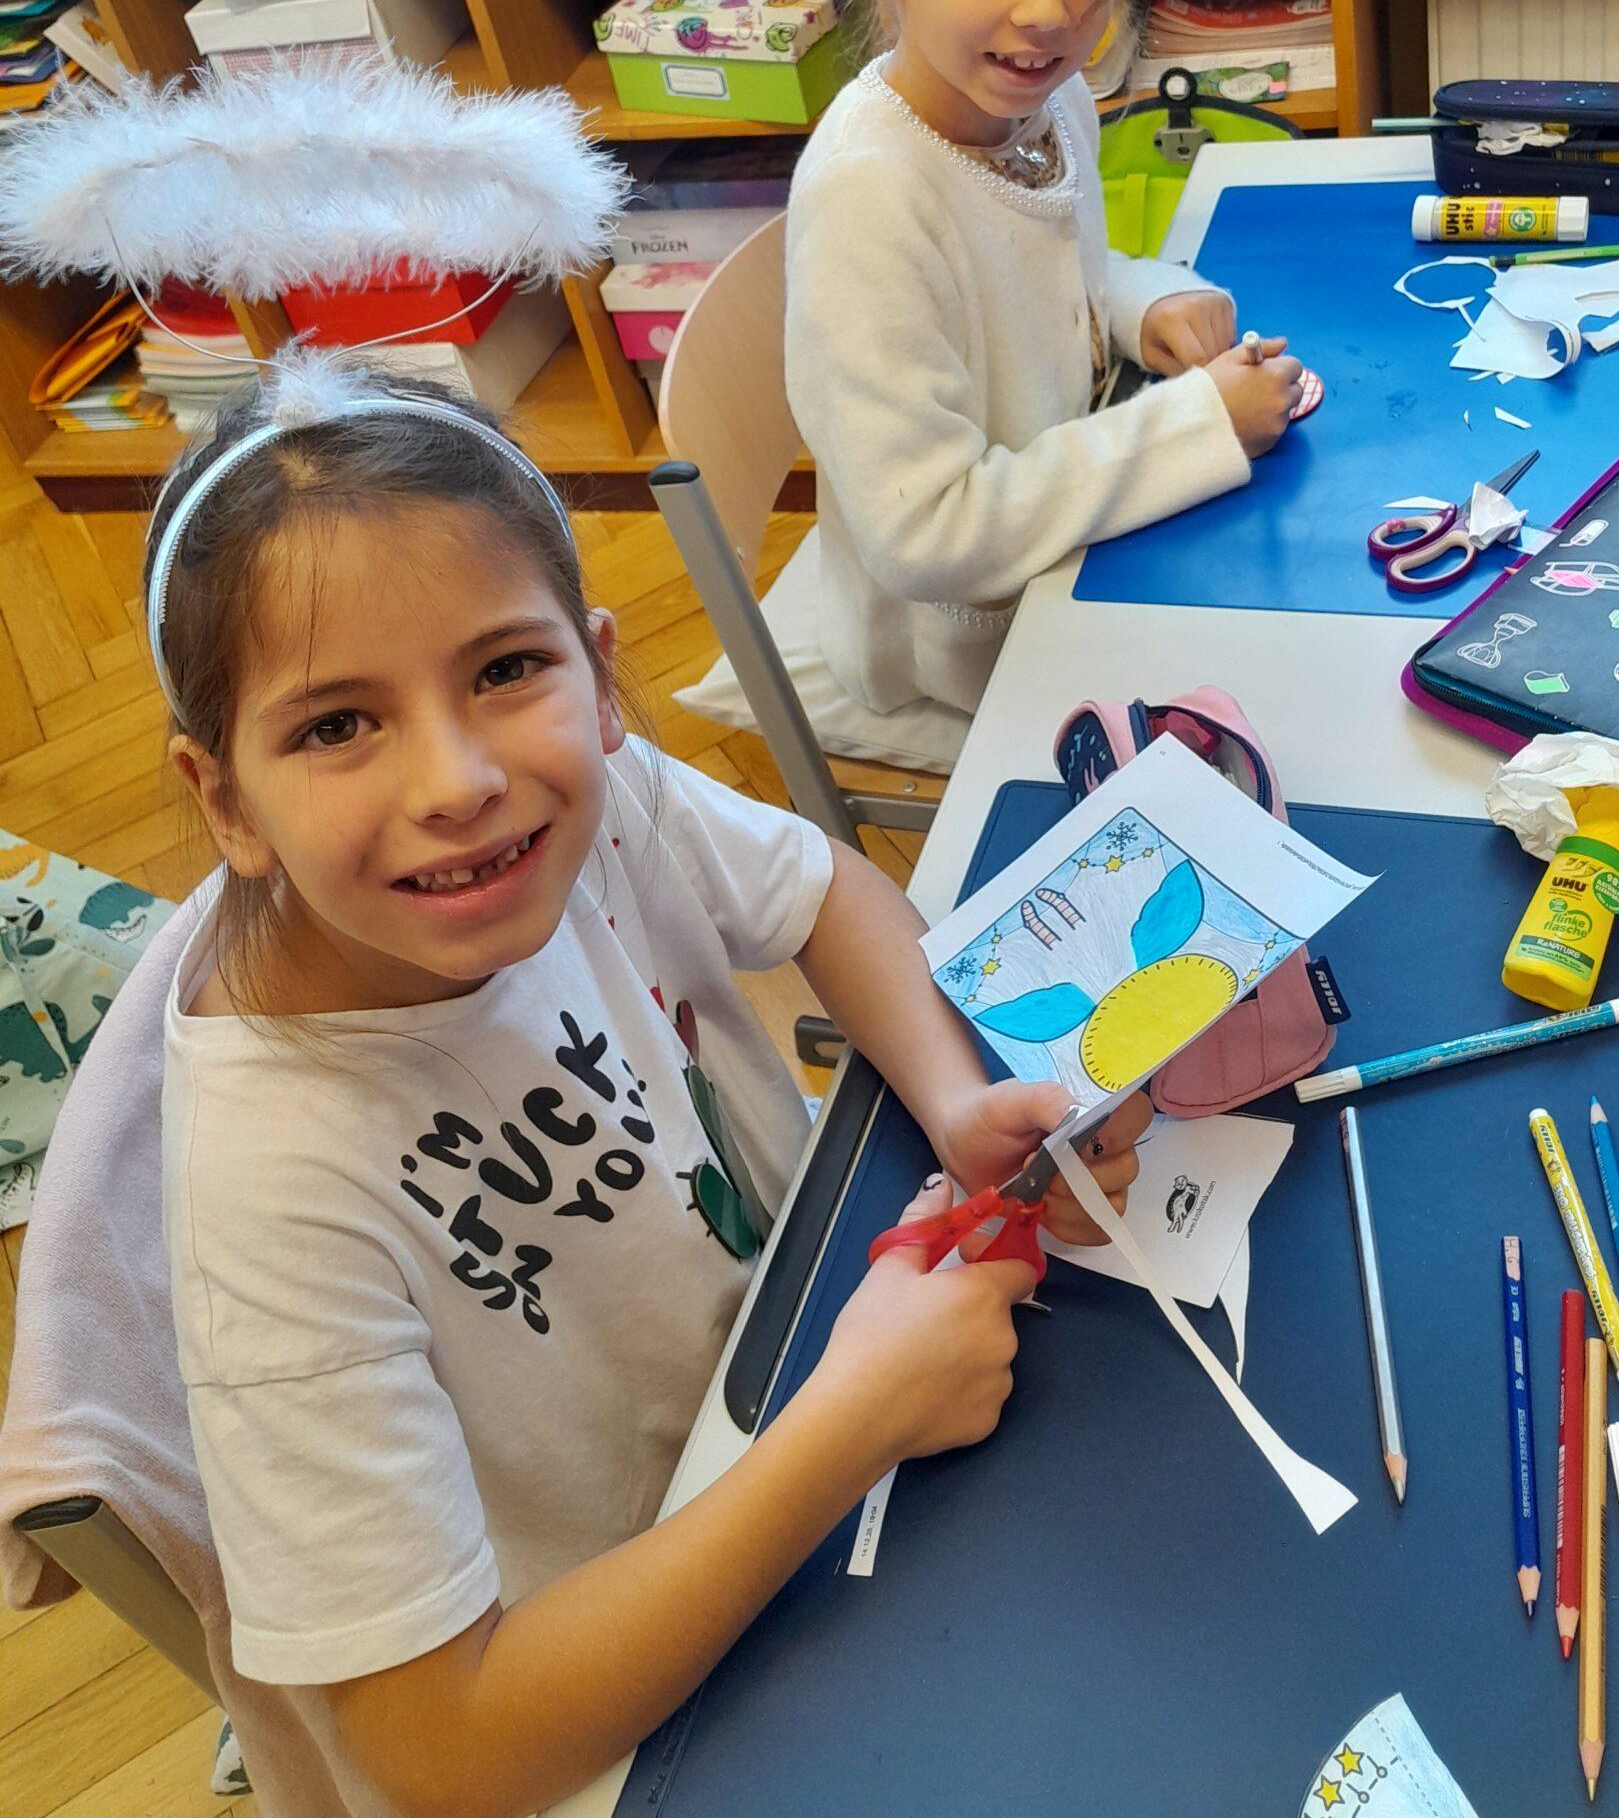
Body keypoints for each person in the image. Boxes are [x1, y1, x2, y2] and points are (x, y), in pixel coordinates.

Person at [151, 351, 1148, 1818]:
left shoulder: (598, 798)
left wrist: (953, 1102)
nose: (458, 779)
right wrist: (855, 1420)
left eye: (505, 670)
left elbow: (828, 896)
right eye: (336, 725)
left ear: (600, 674)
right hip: (624, 1705)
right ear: (225, 799)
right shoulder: (270, 1189)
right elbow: (441, 1754)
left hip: (806, 1391)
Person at [785, 0, 1307, 726]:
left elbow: (1041, 275)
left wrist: (1138, 303)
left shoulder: (1040, 96)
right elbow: (926, 531)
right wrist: (1197, 427)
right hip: (966, 661)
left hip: (1069, 565)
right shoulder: (869, 195)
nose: (1049, 11)